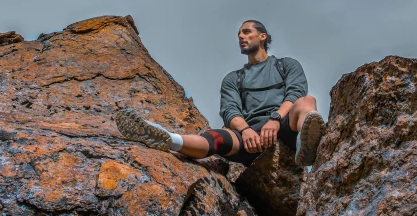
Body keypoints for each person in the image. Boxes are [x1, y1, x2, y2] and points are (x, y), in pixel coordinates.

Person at [115, 20, 326, 167]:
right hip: (250, 136)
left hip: (283, 125)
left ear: (262, 36)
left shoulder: (286, 65)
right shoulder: (234, 78)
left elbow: (296, 92)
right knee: (216, 137)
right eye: (239, 35)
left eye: (246, 32)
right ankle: (169, 139)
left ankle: (306, 148)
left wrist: (276, 118)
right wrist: (245, 131)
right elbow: (229, 109)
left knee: (307, 101)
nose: (241, 37)